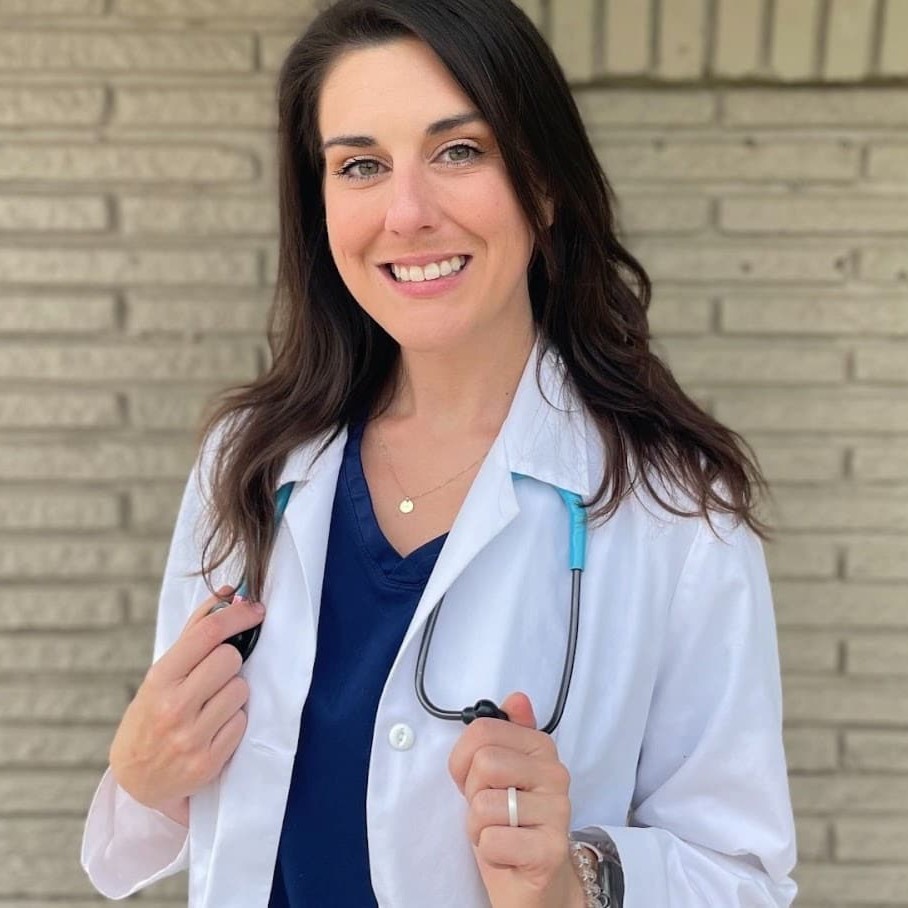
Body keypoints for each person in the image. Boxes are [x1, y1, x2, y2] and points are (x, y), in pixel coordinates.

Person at [80, 0, 798, 905]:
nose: (407, 213)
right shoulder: (252, 464)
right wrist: (141, 773)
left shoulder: (676, 513)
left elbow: (742, 876)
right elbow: (171, 816)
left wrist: (574, 880)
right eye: (361, 165)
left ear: (543, 184)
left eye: (459, 150)